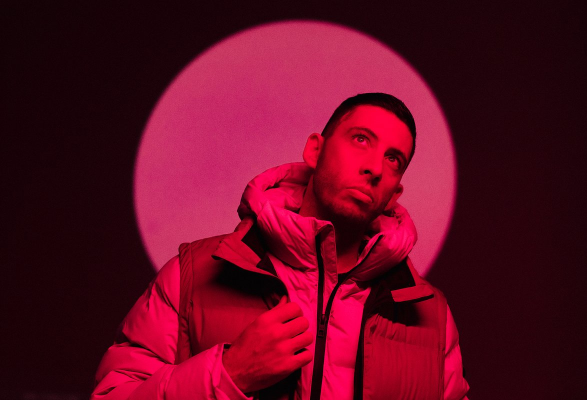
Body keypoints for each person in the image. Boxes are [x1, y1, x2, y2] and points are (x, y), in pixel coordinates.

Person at [92, 93, 469, 399]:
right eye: (360, 139)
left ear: (395, 193)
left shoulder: (430, 316)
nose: (374, 167)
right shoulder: (193, 274)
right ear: (315, 150)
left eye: (393, 159)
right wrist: (228, 374)